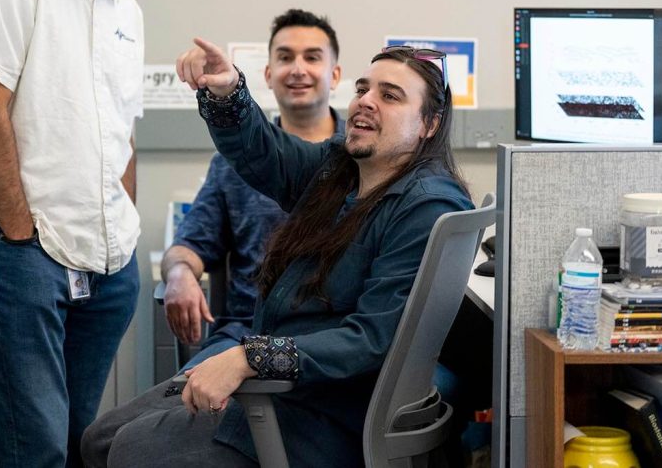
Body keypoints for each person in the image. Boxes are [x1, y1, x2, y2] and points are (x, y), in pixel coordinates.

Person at [83, 39, 471, 467]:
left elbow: (371, 340)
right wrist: (227, 93)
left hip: (323, 413)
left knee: (127, 450)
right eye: (364, 89)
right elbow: (264, 150)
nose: (366, 101)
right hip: (283, 385)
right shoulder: (340, 170)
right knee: (98, 440)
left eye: (390, 95)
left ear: (429, 124)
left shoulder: (427, 206)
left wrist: (252, 358)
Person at [0, 0, 162, 468]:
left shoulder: (127, 10)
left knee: (81, 444)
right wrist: (20, 234)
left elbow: (121, 130)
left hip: (107, 263)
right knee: (34, 448)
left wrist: (122, 231)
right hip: (26, 254)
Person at [162, 8, 344, 363]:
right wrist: (180, 274)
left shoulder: (362, 156)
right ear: (268, 74)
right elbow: (189, 244)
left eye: (312, 57)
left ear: (335, 75)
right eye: (285, 57)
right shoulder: (234, 163)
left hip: (328, 339)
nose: (298, 69)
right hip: (246, 331)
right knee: (181, 405)